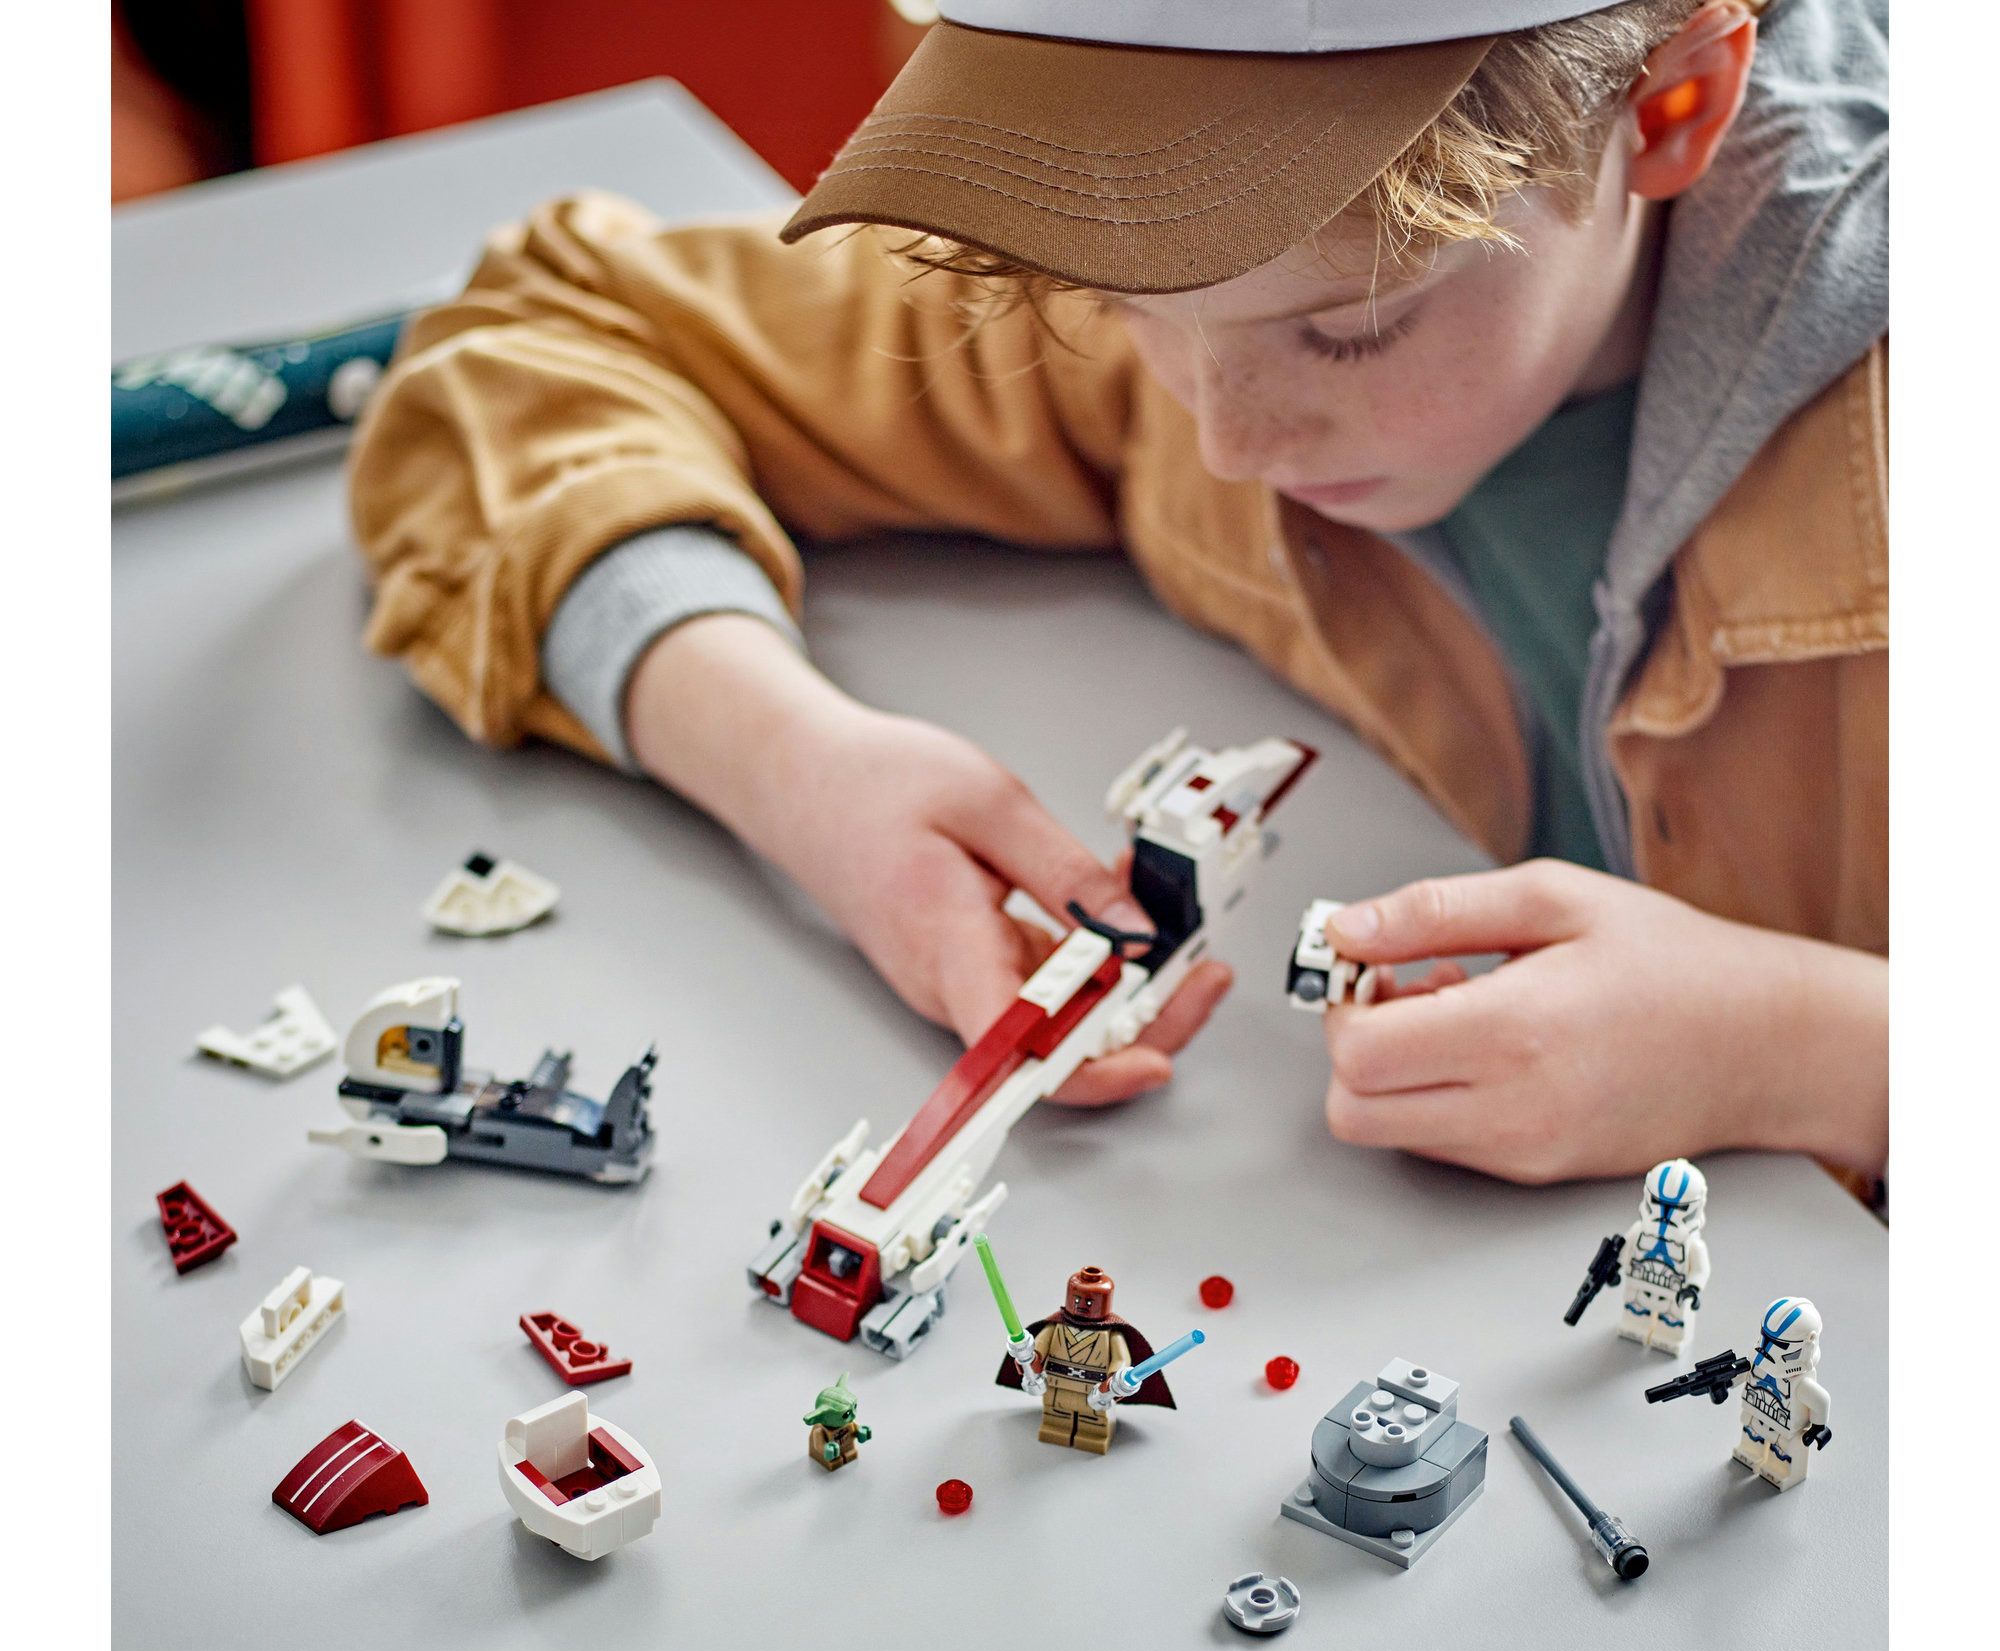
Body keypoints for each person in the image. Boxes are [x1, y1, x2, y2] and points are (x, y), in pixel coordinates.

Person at [347, 0, 1886, 1191]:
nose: (1227, 439)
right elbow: (535, 349)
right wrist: (791, 762)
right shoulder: (1197, 240)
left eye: (1349, 333)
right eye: (1119, 305)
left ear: (1667, 107)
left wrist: (1809, 1050)